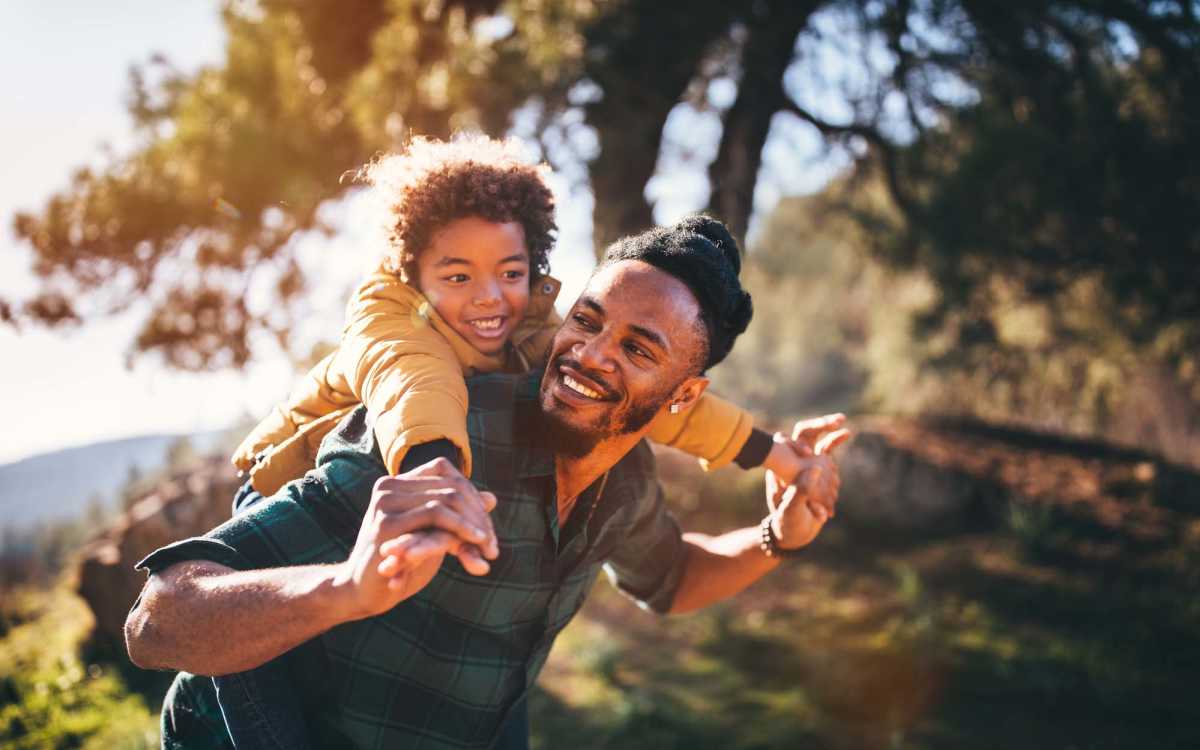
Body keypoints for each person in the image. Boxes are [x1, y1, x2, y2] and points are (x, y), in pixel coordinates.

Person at [124, 216, 851, 750]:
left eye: (635, 348)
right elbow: (157, 622)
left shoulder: (627, 482)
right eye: (588, 321)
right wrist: (345, 587)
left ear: (683, 396)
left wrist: (775, 539)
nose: (589, 355)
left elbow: (673, 578)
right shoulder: (434, 443)